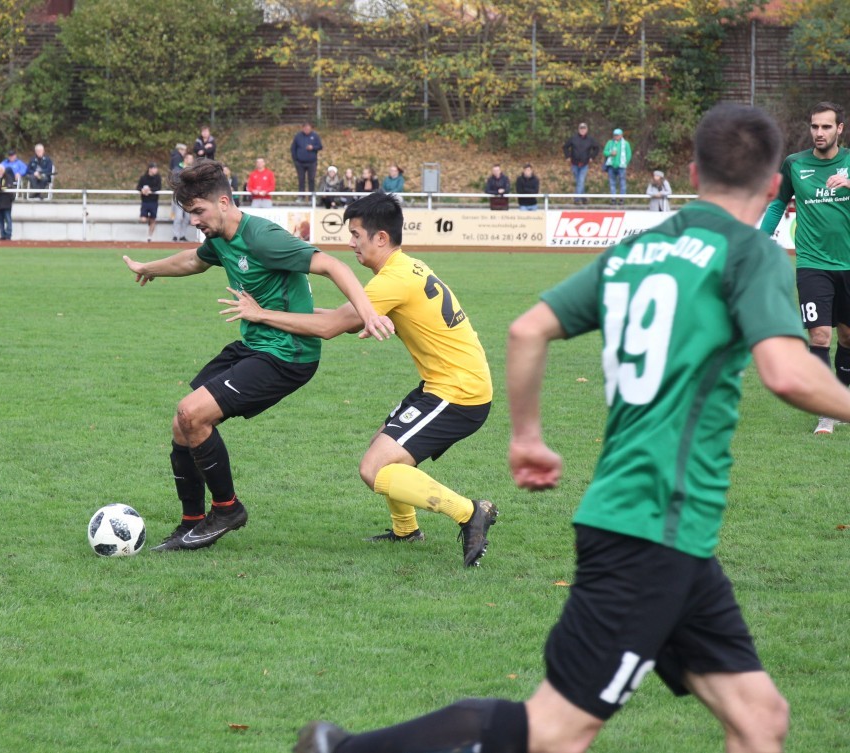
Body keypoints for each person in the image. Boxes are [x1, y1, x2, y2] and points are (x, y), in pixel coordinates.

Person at [295, 102, 850, 753]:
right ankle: (346, 750)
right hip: (651, 526)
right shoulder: (749, 250)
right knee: (555, 731)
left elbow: (529, 328)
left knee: (761, 717)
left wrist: (526, 436)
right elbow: (786, 372)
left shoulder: (641, 248)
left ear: (693, 172)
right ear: (776, 186)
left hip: (671, 531)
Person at [121, 161, 393, 552]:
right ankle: (191, 523)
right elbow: (195, 259)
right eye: (189, 213)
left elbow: (331, 264)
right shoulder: (218, 238)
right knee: (183, 426)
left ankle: (228, 510)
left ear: (225, 202)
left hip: (288, 353)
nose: (194, 220)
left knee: (192, 413)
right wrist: (150, 267)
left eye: (198, 211)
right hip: (255, 343)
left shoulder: (263, 238)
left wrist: (366, 312)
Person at [219, 192, 496, 566]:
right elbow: (346, 317)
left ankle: (469, 512)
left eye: (356, 234)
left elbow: (332, 326)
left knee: (375, 468)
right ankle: (406, 531)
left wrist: (262, 314)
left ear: (381, 237)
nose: (350, 243)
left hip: (460, 392)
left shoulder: (391, 281)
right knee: (384, 446)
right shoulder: (405, 268)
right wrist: (270, 310)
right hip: (446, 383)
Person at [760, 101, 850, 435]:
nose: (819, 133)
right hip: (812, 262)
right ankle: (826, 409)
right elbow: (778, 203)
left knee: (847, 336)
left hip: (849, 263)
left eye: (827, 126)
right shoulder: (795, 164)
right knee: (820, 334)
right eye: (815, 126)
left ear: (839, 128)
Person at [563, 122, 599, 204]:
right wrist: (568, 156)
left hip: (584, 164)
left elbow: (596, 148)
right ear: (578, 129)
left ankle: (576, 199)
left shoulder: (590, 139)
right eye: (581, 129)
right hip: (574, 163)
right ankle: (583, 198)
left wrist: (592, 157)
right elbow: (565, 147)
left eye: (584, 129)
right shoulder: (573, 138)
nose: (582, 130)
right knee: (579, 181)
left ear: (587, 130)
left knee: (581, 181)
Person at [291, 122, 323, 195]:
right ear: (302, 128)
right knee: (301, 179)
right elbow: (293, 148)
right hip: (300, 163)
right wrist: (295, 160)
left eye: (308, 128)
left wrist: (313, 147)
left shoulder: (315, 136)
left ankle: (312, 196)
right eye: (305, 128)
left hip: (312, 162)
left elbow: (320, 146)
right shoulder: (298, 136)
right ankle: (301, 196)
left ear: (311, 128)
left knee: (311, 179)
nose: (307, 130)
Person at [170, 153, 195, 242]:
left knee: (187, 217)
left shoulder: (192, 170)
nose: (191, 160)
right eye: (190, 159)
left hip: (188, 197)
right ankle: (176, 235)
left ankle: (182, 235)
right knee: (179, 217)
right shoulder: (177, 169)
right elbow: (176, 181)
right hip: (179, 195)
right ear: (185, 159)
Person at [603, 128, 633, 202]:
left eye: (617, 135)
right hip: (611, 166)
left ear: (621, 135)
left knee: (622, 183)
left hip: (621, 166)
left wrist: (625, 163)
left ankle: (622, 199)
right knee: (612, 183)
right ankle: (613, 199)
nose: (616, 136)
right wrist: (610, 153)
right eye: (615, 135)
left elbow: (629, 154)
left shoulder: (626, 143)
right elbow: (605, 152)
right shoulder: (610, 143)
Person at [136, 162, 162, 241]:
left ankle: (149, 237)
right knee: (143, 219)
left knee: (153, 219)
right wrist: (142, 190)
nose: (156, 170)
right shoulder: (143, 178)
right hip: (145, 201)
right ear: (150, 169)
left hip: (154, 201)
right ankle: (149, 222)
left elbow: (158, 187)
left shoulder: (158, 178)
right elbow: (138, 187)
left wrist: (150, 190)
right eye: (154, 168)